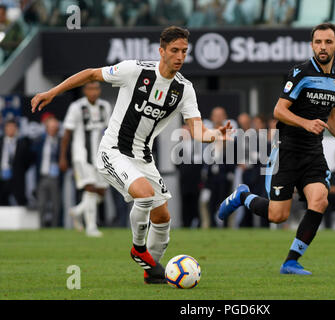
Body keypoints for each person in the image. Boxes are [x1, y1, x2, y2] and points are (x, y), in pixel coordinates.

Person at [31, 26, 232, 284]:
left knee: (163, 219)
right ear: (161, 51)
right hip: (113, 150)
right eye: (174, 50)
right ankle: (139, 249)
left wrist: (215, 134)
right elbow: (92, 73)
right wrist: (52, 92)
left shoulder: (184, 89)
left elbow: (196, 130)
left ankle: (152, 273)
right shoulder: (135, 71)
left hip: (143, 157)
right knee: (145, 194)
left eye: (184, 51)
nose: (180, 56)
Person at [217, 23, 335, 275]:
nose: (323, 47)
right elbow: (278, 110)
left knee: (320, 200)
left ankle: (291, 261)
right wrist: (306, 123)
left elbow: (331, 118)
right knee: (277, 216)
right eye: (318, 42)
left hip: (313, 153)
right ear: (312, 45)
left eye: (328, 42)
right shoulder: (300, 72)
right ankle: (243, 196)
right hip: (287, 150)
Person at [59, 81, 111, 237]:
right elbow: (67, 133)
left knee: (101, 192)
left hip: (100, 155)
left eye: (96, 88)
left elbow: (109, 130)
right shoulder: (76, 107)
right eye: (90, 89)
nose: (93, 92)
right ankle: (91, 227)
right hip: (81, 155)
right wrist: (63, 157)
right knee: (90, 188)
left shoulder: (105, 106)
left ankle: (77, 211)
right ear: (84, 90)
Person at [33, 113, 62, 228]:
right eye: (50, 127)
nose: (52, 129)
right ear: (46, 128)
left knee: (56, 205)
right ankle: (41, 227)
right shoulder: (40, 141)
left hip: (56, 177)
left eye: (54, 127)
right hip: (43, 176)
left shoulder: (61, 141)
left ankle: (54, 227)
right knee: (41, 204)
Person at [0, 118, 33, 206]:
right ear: (5, 128)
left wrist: (19, 171)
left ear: (16, 129)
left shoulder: (22, 143)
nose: (10, 129)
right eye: (8, 127)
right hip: (2, 178)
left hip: (17, 179)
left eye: (12, 127)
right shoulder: (1, 142)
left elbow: (27, 162)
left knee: (20, 202)